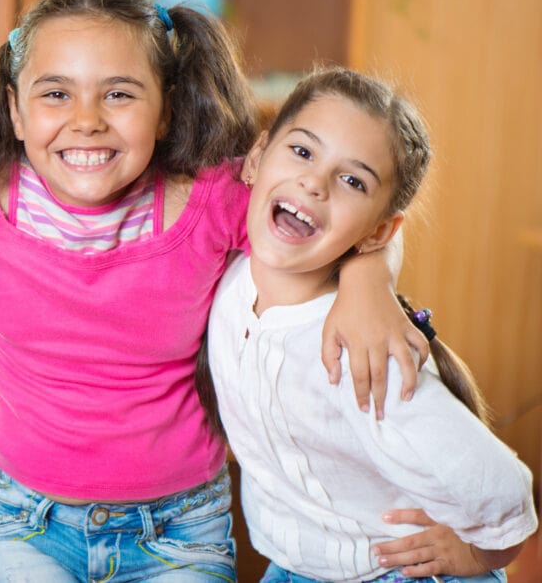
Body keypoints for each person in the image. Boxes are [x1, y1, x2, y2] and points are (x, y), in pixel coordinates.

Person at [0, 0, 427, 581]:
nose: (86, 121)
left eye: (119, 94)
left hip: (179, 529)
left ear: (166, 110)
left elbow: (345, 219)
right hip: (14, 519)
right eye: (55, 93)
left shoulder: (215, 197)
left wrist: (369, 283)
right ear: (14, 108)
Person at [205, 67, 538, 583]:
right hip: (295, 566)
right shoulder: (224, 271)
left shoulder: (360, 356)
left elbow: (504, 488)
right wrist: (371, 277)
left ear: (378, 231)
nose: (314, 182)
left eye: (352, 180)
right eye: (302, 151)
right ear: (255, 157)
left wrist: (480, 556)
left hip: (393, 571)